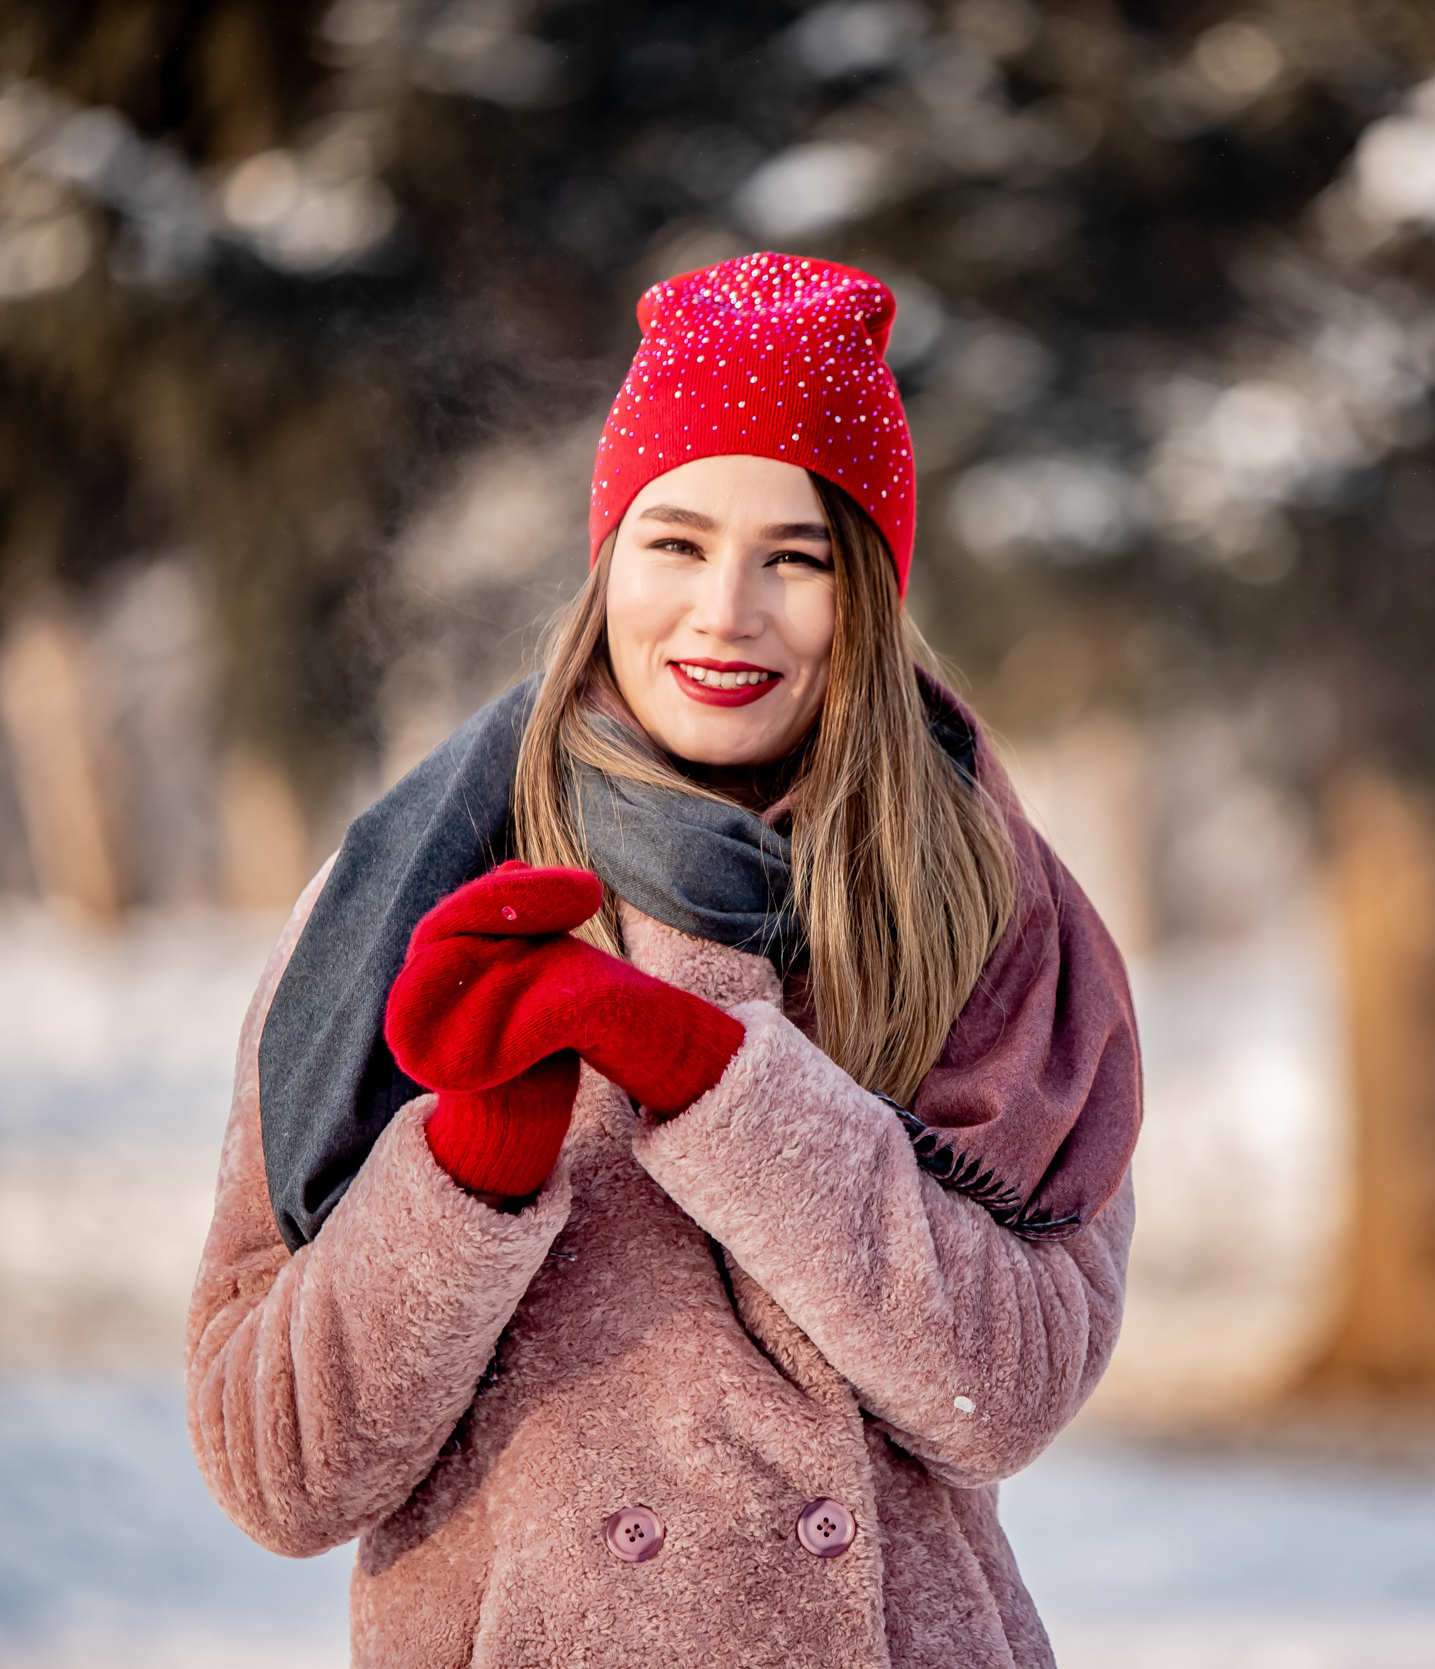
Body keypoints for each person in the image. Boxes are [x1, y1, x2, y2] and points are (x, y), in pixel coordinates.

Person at [186, 252, 1142, 1668]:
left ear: (869, 589)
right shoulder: (408, 898)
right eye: (677, 543)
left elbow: (1001, 1393)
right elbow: (277, 1470)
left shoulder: (987, 913)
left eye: (795, 557)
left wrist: (710, 1077)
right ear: (609, 558)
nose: (724, 612)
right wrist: (471, 1163)